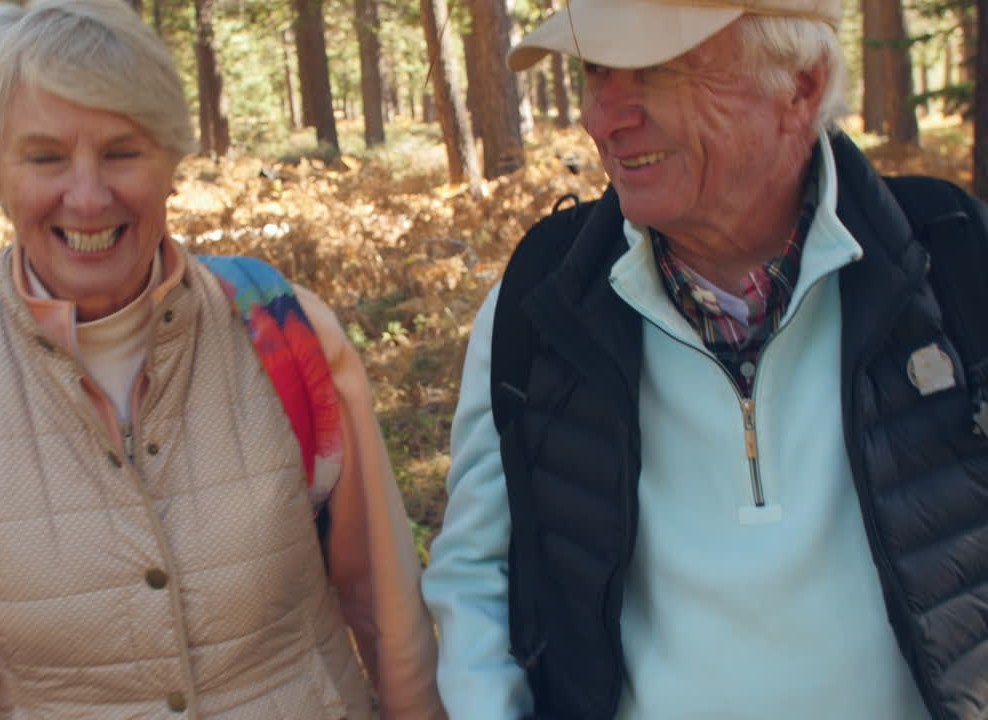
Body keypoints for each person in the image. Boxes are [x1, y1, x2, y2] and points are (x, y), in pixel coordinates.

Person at [0, 1, 444, 718]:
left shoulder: (283, 333)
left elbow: (386, 606)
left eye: (121, 152)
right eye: (45, 158)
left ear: (171, 161)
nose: (87, 197)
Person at [421, 0, 988, 718]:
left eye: (657, 68)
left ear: (801, 85)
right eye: (596, 69)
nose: (602, 117)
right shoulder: (544, 299)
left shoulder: (955, 262)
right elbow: (478, 578)